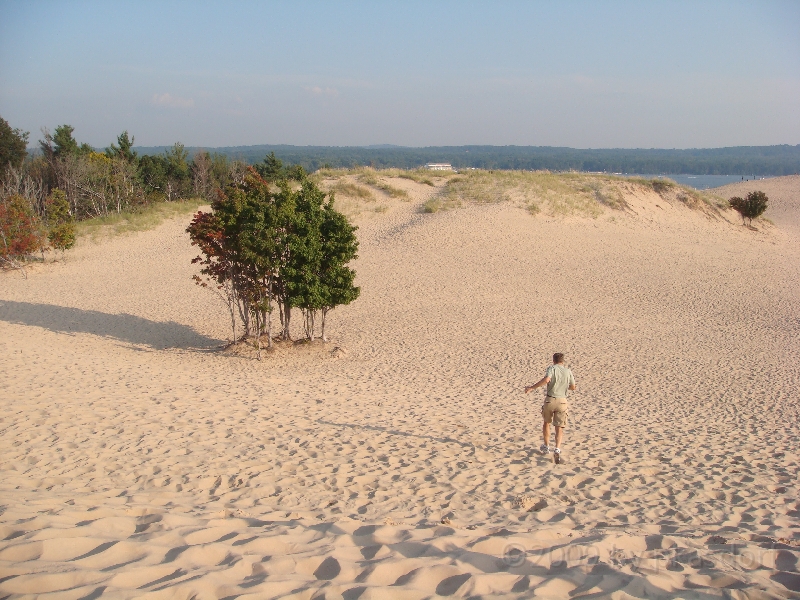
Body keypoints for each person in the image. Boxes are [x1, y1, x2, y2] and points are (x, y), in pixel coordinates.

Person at [524, 353, 576, 464]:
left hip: (550, 399)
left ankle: (546, 446)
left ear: (553, 360)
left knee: (547, 423)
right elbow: (573, 387)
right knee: (559, 426)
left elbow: (547, 379)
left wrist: (532, 387)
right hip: (562, 400)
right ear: (563, 361)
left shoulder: (552, 368)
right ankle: (557, 448)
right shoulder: (568, 371)